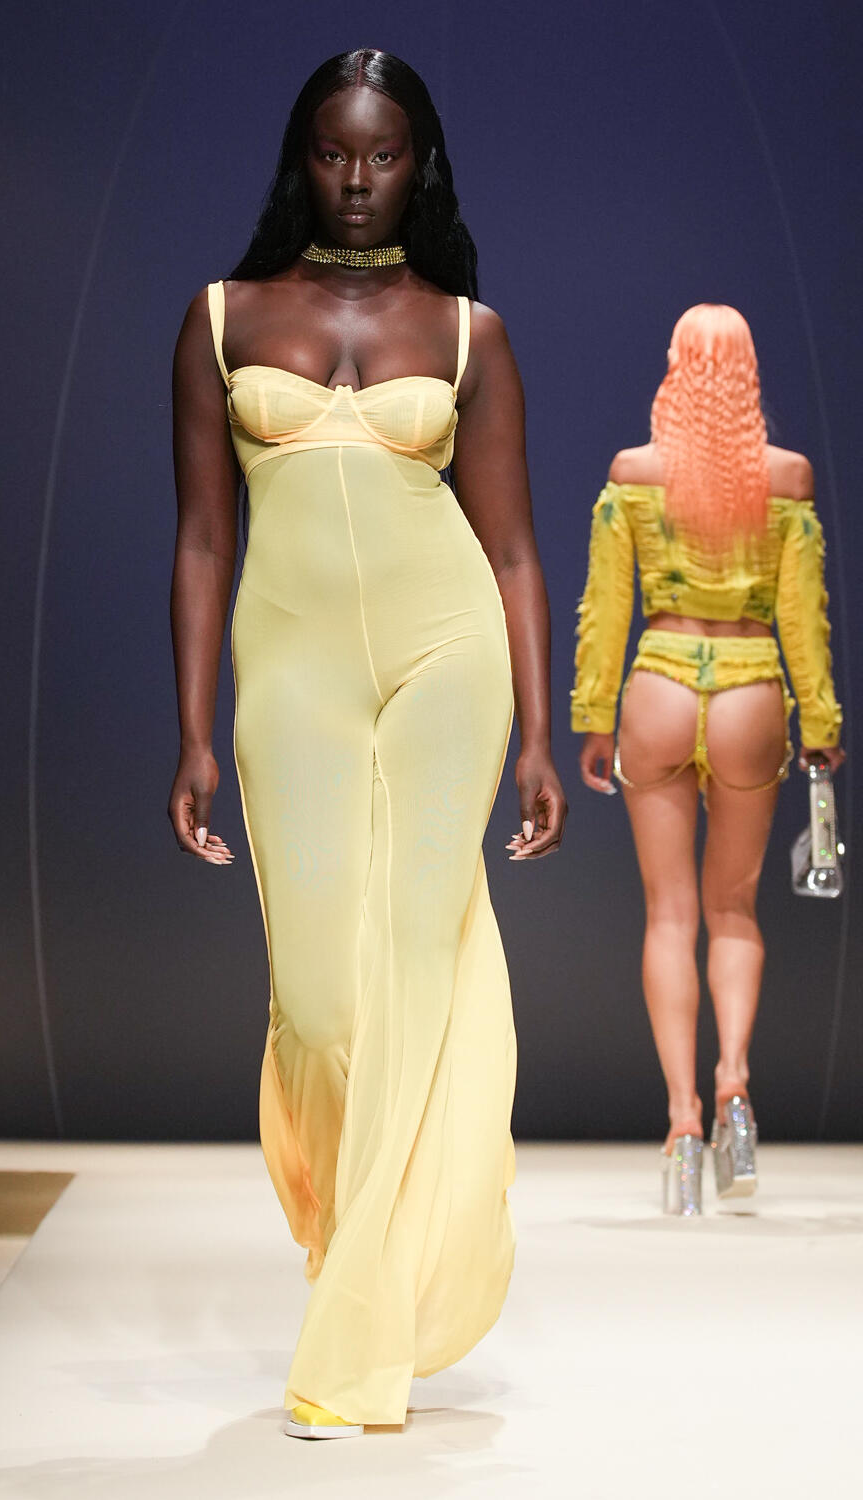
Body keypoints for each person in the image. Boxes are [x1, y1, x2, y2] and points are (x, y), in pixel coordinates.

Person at [168, 49, 565, 1435]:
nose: (356, 179)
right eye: (335, 153)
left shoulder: (468, 334)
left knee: (406, 970)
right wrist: (193, 731)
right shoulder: (221, 318)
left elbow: (511, 551)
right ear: (304, 158)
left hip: (448, 658)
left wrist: (538, 736)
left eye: (384, 155)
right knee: (323, 1005)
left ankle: (358, 1324)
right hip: (291, 673)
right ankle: (350, 1229)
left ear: (419, 165)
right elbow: (203, 539)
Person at [572, 304, 843, 1215]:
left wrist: (593, 717)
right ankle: (734, 1089)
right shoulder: (787, 479)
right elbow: (802, 615)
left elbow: (606, 607)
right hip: (750, 689)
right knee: (734, 911)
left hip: (658, 684)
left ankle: (683, 1125)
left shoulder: (633, 474)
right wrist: (820, 721)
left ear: (675, 366)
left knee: (669, 915)